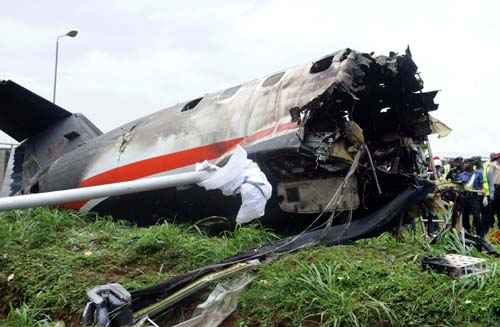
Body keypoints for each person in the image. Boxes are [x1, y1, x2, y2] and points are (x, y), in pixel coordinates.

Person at [457, 162, 484, 237]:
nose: (465, 165)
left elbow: (482, 184)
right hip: (464, 197)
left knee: (477, 216)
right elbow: (459, 183)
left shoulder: (478, 174)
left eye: (468, 163)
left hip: (475, 197)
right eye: (465, 163)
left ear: (472, 165)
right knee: (465, 215)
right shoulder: (462, 174)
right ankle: (467, 233)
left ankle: (479, 234)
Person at [490, 153, 500, 227]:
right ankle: (491, 224)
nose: (497, 159)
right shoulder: (493, 165)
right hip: (494, 187)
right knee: (492, 207)